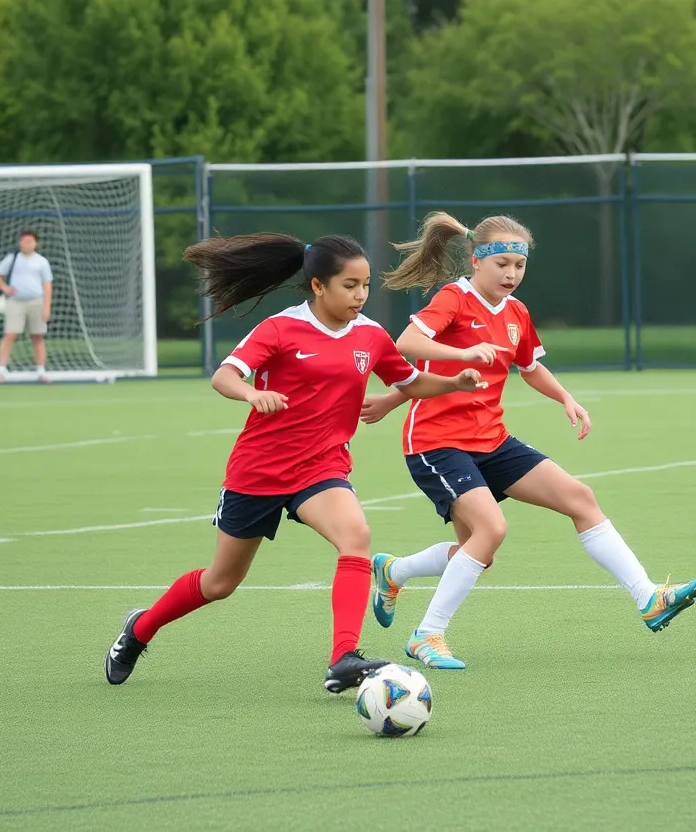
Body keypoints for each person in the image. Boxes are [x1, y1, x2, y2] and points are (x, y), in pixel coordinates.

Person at [103, 233, 486, 692]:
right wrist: (252, 392)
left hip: (322, 468)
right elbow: (225, 375)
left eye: (365, 285)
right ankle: (140, 629)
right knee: (220, 582)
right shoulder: (281, 328)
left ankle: (343, 658)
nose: (360, 295)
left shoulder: (370, 334)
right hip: (259, 471)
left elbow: (409, 380)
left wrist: (454, 382)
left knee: (356, 537)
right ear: (318, 286)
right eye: (350, 285)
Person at [358, 212, 696, 670]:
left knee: (577, 501)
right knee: (490, 533)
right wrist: (457, 357)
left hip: (492, 439)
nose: (511, 274)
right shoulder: (454, 299)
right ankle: (427, 635)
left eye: (519, 266)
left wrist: (565, 396)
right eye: (502, 263)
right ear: (476, 260)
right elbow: (406, 343)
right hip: (436, 443)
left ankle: (649, 598)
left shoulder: (517, 313)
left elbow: (530, 367)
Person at [0, 229, 53, 383]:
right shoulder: (13, 258)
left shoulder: (41, 261)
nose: (26, 244)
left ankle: (40, 371)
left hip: (36, 301)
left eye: (30, 241)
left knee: (37, 336)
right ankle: (2, 370)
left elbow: (47, 285)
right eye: (23, 241)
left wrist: (47, 306)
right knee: (10, 335)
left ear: (36, 243)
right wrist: (5, 288)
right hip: (15, 301)